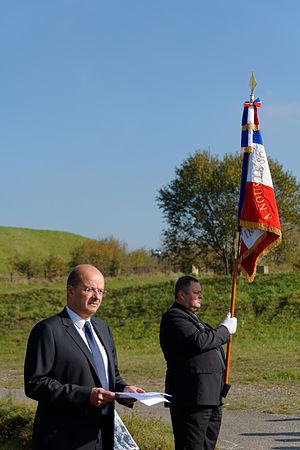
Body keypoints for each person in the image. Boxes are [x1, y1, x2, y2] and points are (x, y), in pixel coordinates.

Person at [24, 264, 144, 450]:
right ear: (70, 290)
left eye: (101, 291)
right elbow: (35, 384)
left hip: (102, 435)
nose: (96, 296)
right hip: (63, 438)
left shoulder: (103, 329)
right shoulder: (48, 330)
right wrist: (85, 395)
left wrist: (124, 391)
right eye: (89, 289)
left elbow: (112, 376)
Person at [160, 275, 237, 450]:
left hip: (210, 395)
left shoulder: (195, 319)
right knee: (191, 446)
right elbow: (200, 341)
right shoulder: (174, 317)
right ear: (181, 295)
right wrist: (224, 330)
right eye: (196, 293)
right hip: (191, 396)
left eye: (201, 293)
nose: (200, 296)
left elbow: (209, 341)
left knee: (207, 446)